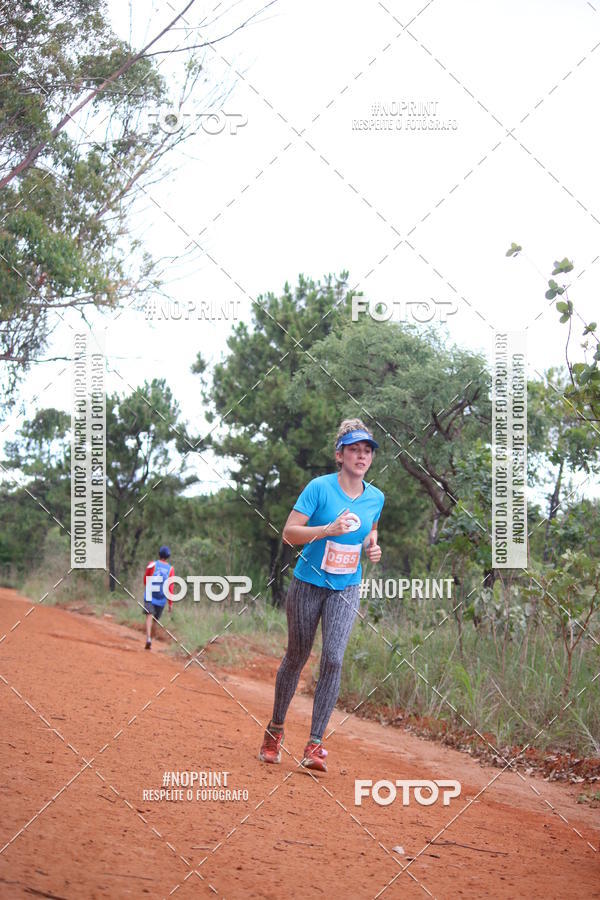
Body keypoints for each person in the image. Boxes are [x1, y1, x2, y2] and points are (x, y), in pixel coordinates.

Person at [259, 418, 384, 773]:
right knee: (296, 657)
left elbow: (370, 530)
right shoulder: (319, 488)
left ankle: (315, 744)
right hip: (308, 584)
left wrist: (373, 547)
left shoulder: (376, 497)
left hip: (346, 587)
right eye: (355, 449)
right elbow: (289, 533)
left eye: (367, 451)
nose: (362, 456)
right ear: (339, 454)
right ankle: (276, 729)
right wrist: (326, 530)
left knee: (333, 658)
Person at [143, 545, 174, 650]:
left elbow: (145, 578)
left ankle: (148, 638)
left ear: (159, 554)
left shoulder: (152, 564)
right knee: (155, 620)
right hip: (162, 598)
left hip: (150, 594)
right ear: (168, 556)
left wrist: (147, 587)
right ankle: (150, 639)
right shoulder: (170, 569)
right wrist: (170, 603)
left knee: (149, 616)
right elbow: (170, 587)